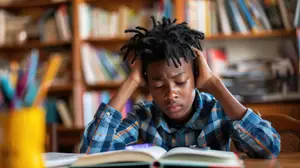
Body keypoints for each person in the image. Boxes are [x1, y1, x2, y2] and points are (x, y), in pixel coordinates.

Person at [79, 17, 280, 158]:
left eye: (181, 82)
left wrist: (214, 84)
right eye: (158, 85)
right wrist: (131, 82)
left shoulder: (219, 112)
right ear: (147, 84)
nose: (171, 94)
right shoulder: (143, 116)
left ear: (196, 76)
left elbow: (270, 148)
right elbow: (90, 152)